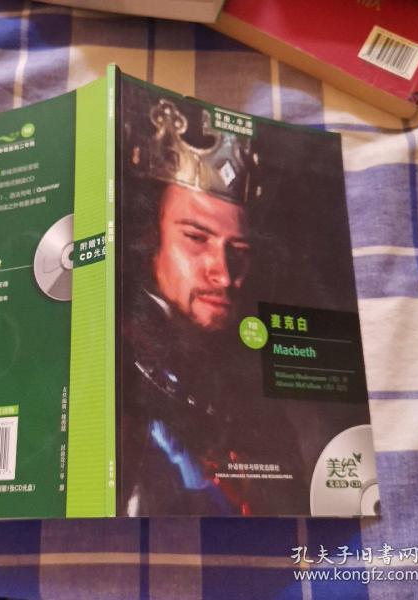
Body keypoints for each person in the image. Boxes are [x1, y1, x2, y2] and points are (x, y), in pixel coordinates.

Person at [119, 95, 306, 516]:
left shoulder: (253, 393)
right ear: (149, 239)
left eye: (239, 250)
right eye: (196, 238)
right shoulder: (118, 372)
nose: (223, 273)